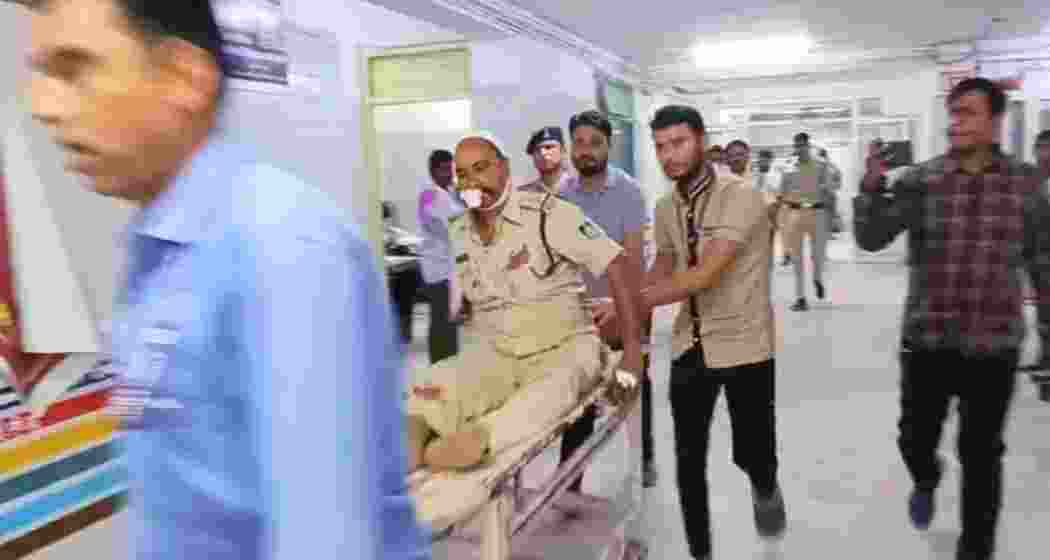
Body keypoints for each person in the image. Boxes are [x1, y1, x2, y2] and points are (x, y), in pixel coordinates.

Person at [26, 1, 427, 559]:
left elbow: (325, 541)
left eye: (74, 68)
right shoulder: (159, 243)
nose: (40, 104)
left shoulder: (281, 246)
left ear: (183, 79)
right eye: (40, 72)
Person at [854, 77, 1050, 560]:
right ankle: (926, 476)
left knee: (982, 454)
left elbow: (1042, 268)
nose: (956, 122)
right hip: (928, 339)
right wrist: (871, 191)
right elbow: (873, 238)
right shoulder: (923, 180)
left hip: (994, 344)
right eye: (954, 113)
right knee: (914, 439)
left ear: (997, 121)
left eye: (968, 113)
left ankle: (975, 548)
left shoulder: (1026, 186)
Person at [597, 105, 785, 559]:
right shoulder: (665, 207)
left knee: (752, 453)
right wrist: (625, 318)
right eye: (661, 146)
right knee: (687, 462)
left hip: (744, 345)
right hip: (690, 346)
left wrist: (628, 305)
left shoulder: (740, 196)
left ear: (701, 141)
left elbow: (703, 276)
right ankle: (701, 553)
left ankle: (765, 486)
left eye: (679, 143)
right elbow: (662, 270)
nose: (669, 155)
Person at [405, 131, 644, 471]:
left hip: (563, 349)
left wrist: (632, 353)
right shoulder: (459, 231)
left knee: (550, 394)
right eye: (462, 174)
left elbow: (616, 264)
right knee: (432, 382)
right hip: (497, 354)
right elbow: (478, 288)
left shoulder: (548, 215)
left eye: (481, 168)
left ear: (503, 169)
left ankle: (481, 439)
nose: (471, 181)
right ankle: (421, 434)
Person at [557, 110, 658, 490]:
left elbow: (631, 261)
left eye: (594, 143)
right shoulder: (563, 195)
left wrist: (619, 308)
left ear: (608, 146)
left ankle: (645, 456)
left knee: (631, 387)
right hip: (582, 315)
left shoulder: (629, 192)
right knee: (579, 398)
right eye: (579, 143)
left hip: (624, 306)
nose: (586, 151)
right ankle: (570, 480)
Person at [777, 132, 840, 311]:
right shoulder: (788, 168)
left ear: (808, 145)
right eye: (796, 146)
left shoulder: (821, 165)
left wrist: (833, 216)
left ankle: (817, 279)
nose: (799, 149)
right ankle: (800, 298)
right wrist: (781, 216)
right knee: (797, 258)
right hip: (795, 213)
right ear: (794, 147)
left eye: (802, 145)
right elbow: (781, 194)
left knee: (818, 256)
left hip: (817, 212)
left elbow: (829, 191)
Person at [418, 149, 466, 364]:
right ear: (432, 171)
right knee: (442, 323)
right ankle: (440, 367)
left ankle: (446, 366)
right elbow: (452, 223)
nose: (449, 174)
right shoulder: (430, 194)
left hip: (447, 269)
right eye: (444, 169)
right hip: (438, 271)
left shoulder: (448, 193)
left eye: (451, 169)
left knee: (447, 322)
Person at [520, 126, 574, 194]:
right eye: (537, 150)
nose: (543, 153)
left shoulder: (581, 190)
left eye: (548, 147)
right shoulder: (524, 194)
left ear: (563, 151)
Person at [818, 148, 844, 236]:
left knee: (827, 214)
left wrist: (833, 185)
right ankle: (827, 233)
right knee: (827, 214)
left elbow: (839, 177)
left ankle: (827, 232)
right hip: (827, 195)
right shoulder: (830, 166)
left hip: (826, 195)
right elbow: (839, 176)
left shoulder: (827, 167)